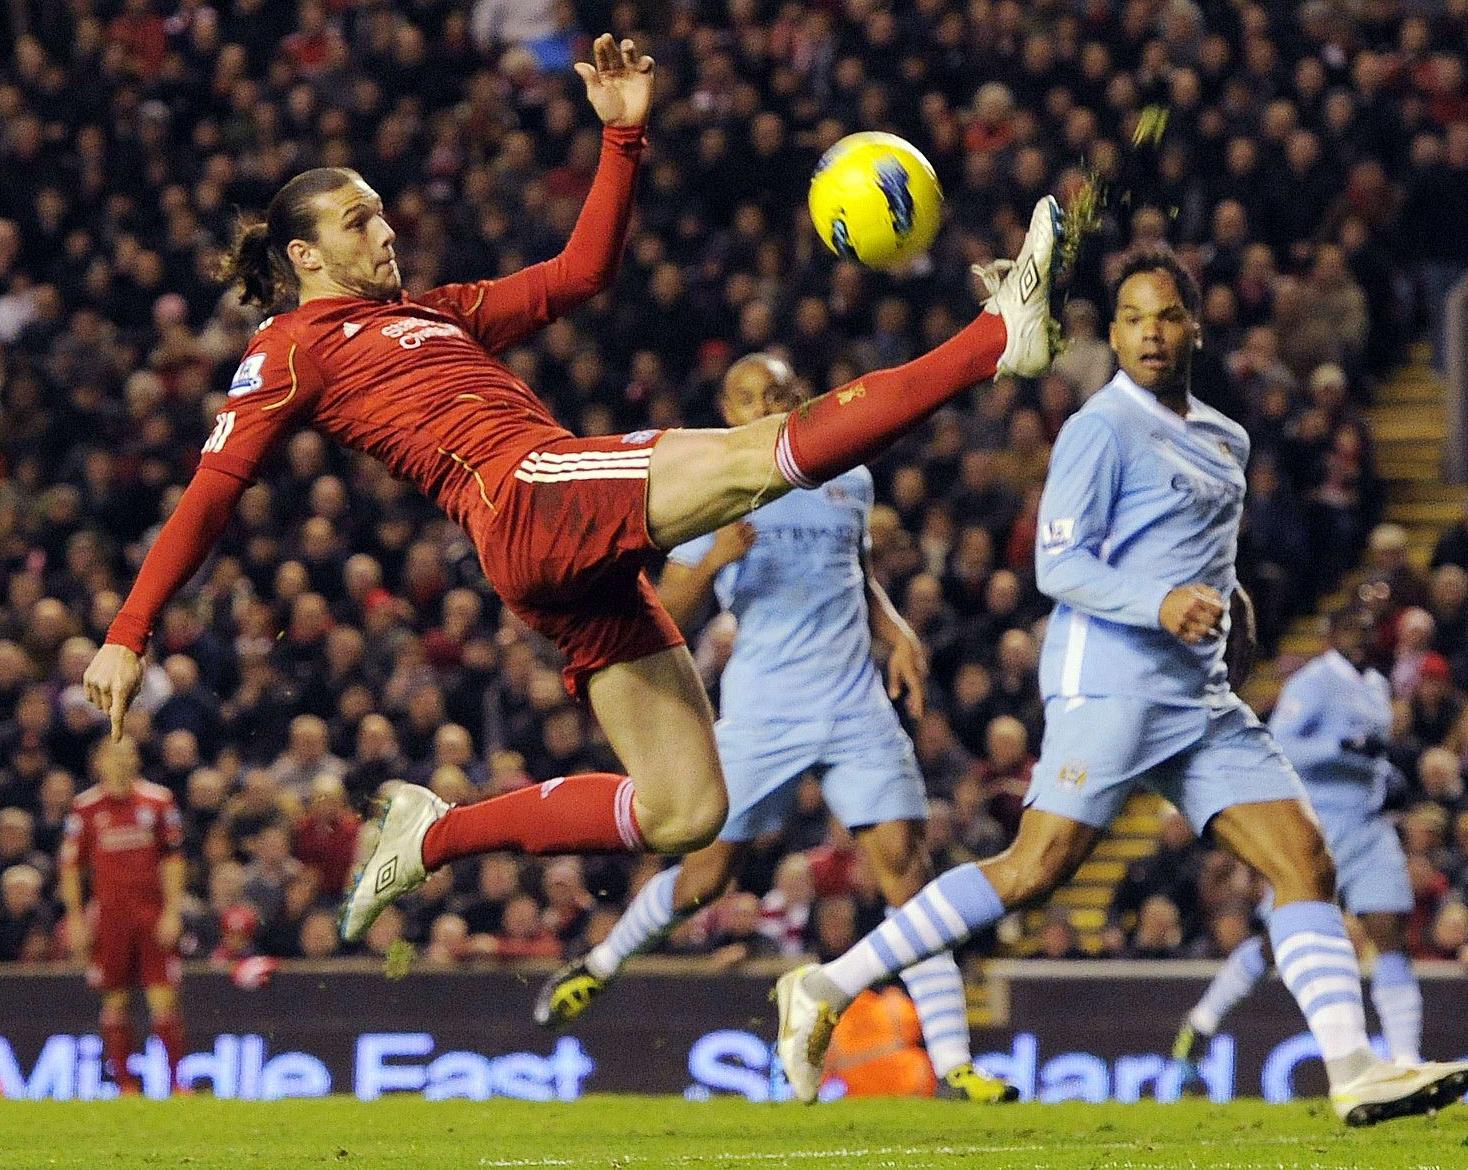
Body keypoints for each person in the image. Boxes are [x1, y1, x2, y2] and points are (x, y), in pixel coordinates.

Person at [78, 34, 1064, 943]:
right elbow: (214, 487)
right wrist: (129, 631)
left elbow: (581, 273)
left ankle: (433, 836)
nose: (384, 229)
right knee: (754, 457)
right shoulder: (290, 348)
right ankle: (994, 338)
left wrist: (622, 136)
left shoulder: (431, 312)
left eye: (379, 210)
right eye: (357, 219)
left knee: (685, 810)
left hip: (547, 549)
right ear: (304, 257)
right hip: (528, 495)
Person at [771, 246, 1468, 1125]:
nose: (1150, 333)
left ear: (1195, 329)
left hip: (1200, 699)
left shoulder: (1227, 439)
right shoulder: (1099, 427)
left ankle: (1355, 1070)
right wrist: (1159, 602)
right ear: (1112, 333)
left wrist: (1234, 604)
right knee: (1034, 869)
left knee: (1306, 861)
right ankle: (828, 986)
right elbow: (1059, 564)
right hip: (1109, 686)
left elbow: (1202, 555)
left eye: (1166, 316)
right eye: (1133, 318)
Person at [531, 354, 1015, 1102]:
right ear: (729, 413)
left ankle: (954, 1062)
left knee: (906, 872)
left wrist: (895, 631)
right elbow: (664, 609)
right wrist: (712, 562)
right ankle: (598, 965)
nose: (766, 406)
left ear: (800, 396)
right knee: (705, 878)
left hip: (854, 706)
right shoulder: (709, 489)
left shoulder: (849, 476)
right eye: (750, 397)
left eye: (779, 393)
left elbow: (857, 573)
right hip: (764, 711)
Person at [1171, 604, 1427, 1085]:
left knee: (1390, 930)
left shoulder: (1377, 685)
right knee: (1278, 945)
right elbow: (1281, 743)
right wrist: (1341, 748)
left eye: (1367, 631)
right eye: (1351, 630)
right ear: (1332, 634)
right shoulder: (1312, 682)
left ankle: (1407, 1059)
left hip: (1367, 825)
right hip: (1317, 825)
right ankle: (1202, 1021)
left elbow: (1372, 752)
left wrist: (1385, 772)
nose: (1360, 638)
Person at [59, 737, 187, 1096]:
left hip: (151, 914)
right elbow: (71, 867)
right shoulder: (85, 807)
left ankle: (177, 1084)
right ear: (99, 761)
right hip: (110, 917)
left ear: (137, 759)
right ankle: (125, 1085)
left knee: (163, 999)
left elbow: (173, 858)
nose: (121, 761)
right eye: (114, 755)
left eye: (128, 754)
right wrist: (76, 919)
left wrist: (172, 911)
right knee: (115, 999)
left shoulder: (159, 801)